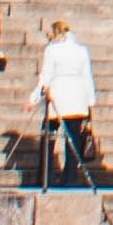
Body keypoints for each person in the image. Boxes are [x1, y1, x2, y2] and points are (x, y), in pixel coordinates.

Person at [35, 18, 98, 189]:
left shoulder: (52, 50)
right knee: (73, 138)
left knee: (48, 137)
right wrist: (90, 100)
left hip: (57, 97)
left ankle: (45, 175)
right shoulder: (82, 50)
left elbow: (45, 76)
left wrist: (33, 98)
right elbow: (87, 76)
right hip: (77, 99)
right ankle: (70, 176)